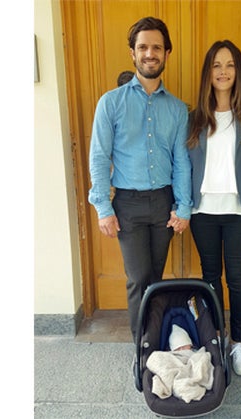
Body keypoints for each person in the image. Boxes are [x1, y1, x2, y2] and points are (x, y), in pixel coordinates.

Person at [88, 17, 192, 343]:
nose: (150, 53)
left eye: (156, 47)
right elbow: (99, 156)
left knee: (156, 278)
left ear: (166, 54)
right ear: (133, 53)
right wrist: (103, 206)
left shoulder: (177, 110)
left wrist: (184, 206)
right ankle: (142, 347)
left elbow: (181, 162)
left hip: (163, 203)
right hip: (128, 206)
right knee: (137, 278)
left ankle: (156, 337)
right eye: (143, 47)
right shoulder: (111, 102)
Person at [187, 40, 241, 376]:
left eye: (230, 65)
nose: (223, 72)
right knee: (210, 279)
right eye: (216, 65)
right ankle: (215, 339)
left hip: (240, 211)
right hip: (203, 212)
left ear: (238, 72)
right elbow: (184, 165)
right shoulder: (194, 118)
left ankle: (238, 343)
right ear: (208, 72)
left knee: (237, 280)